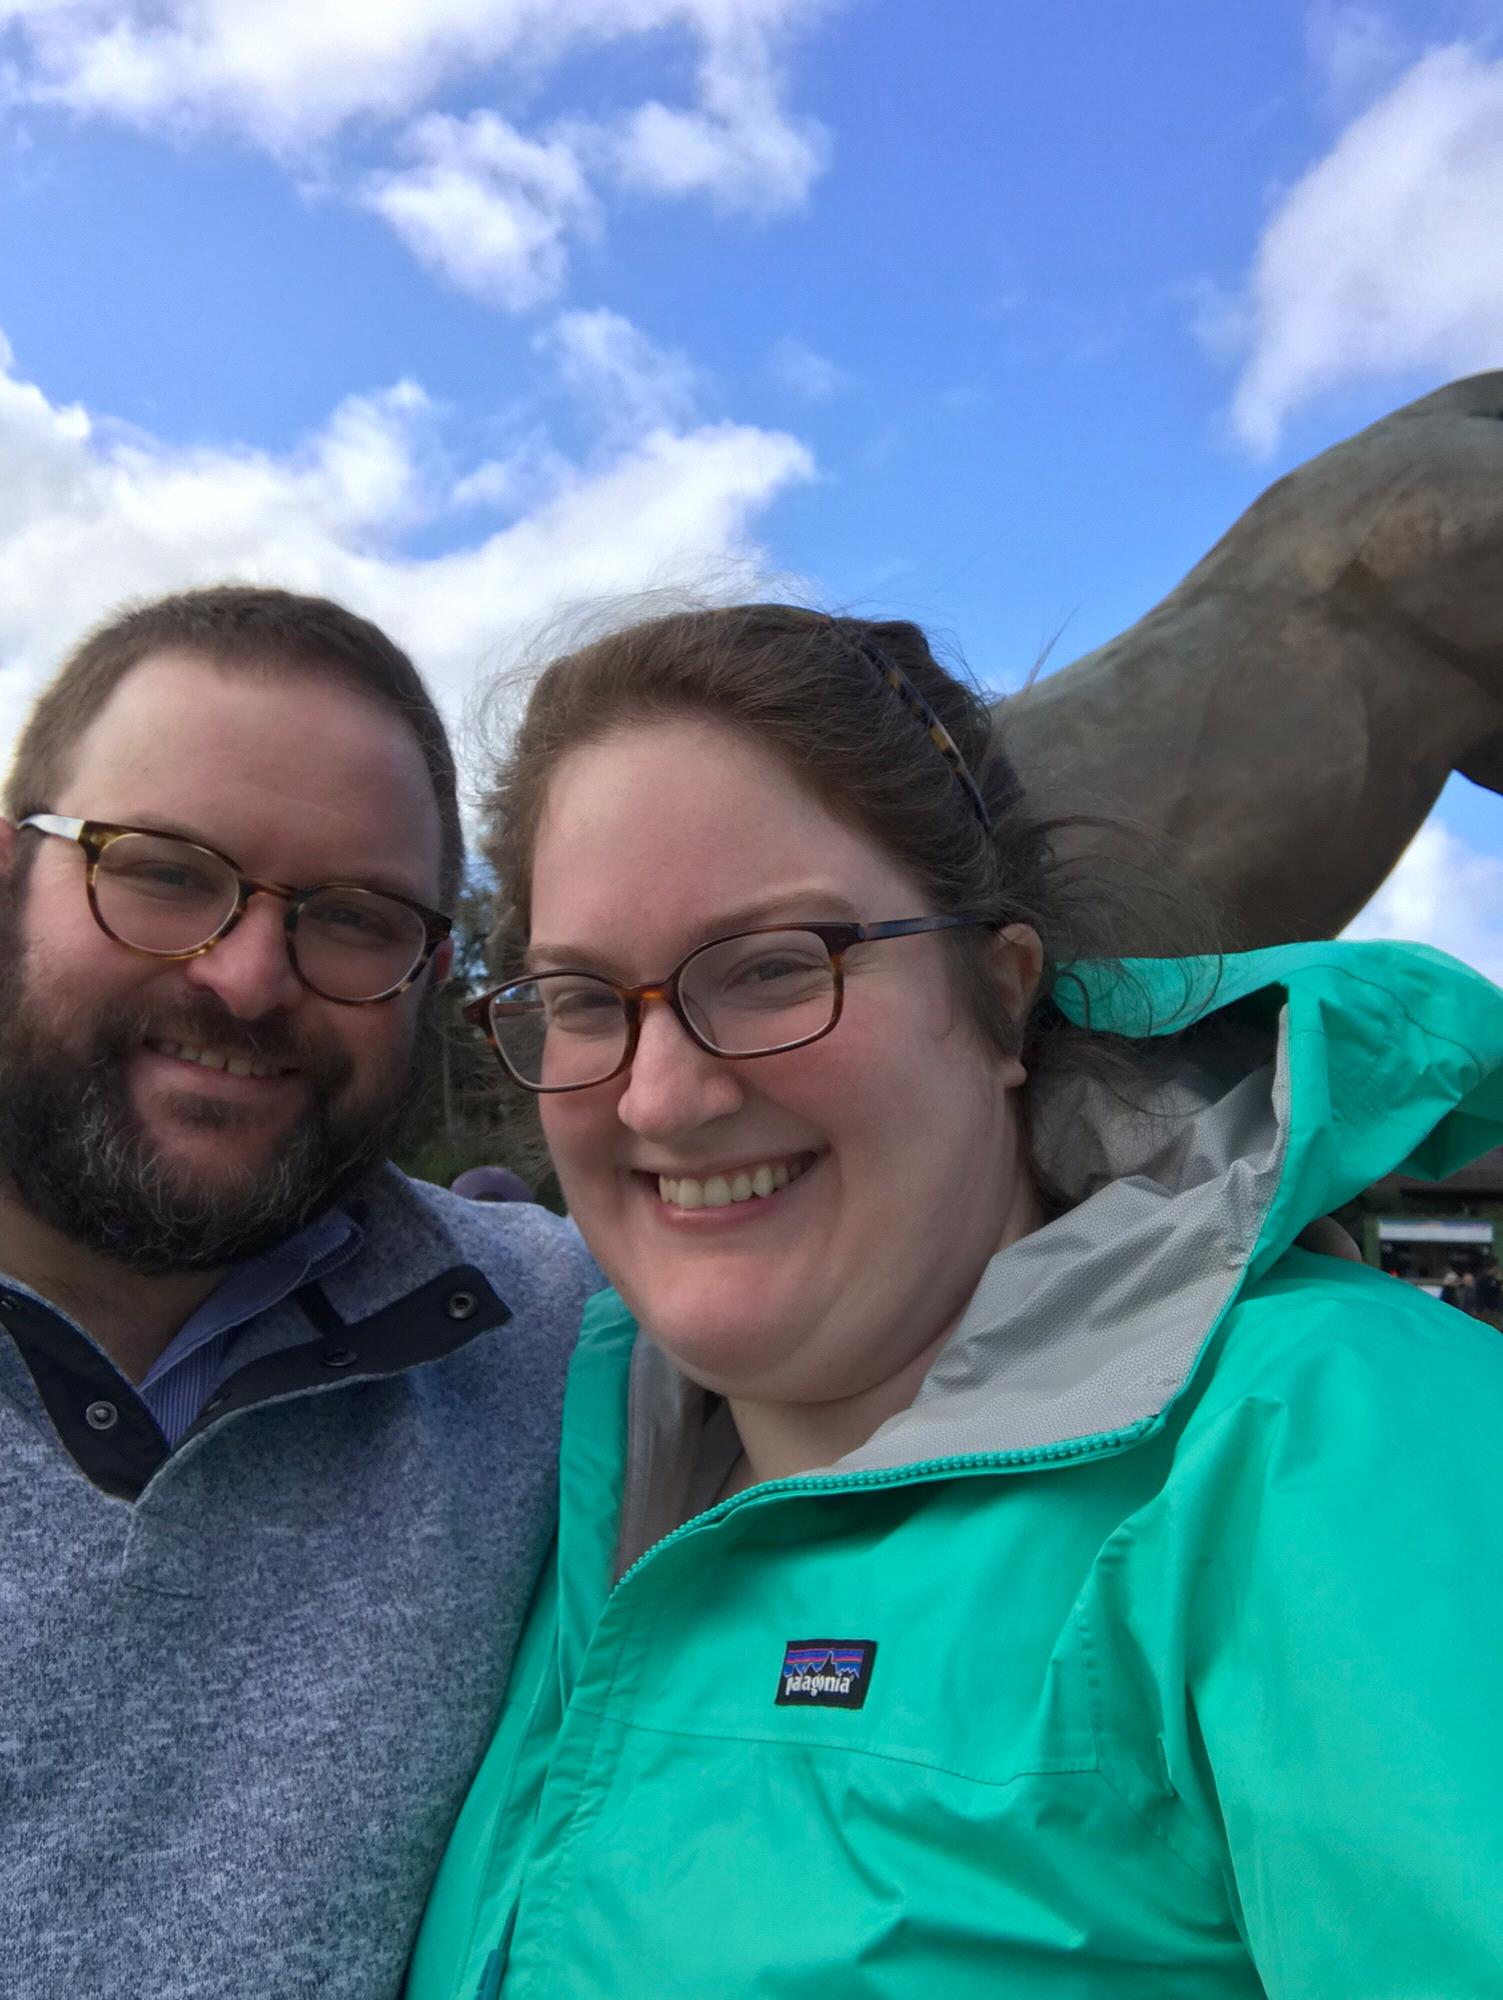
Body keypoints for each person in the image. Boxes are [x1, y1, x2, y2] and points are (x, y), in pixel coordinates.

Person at [409, 603, 1503, 1999]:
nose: (662, 1094)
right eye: (578, 998)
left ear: (998, 1000)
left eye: (772, 969)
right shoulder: (570, 1461)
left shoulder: (1326, 1451)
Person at [0, 586, 598, 2000]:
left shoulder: (555, 1335)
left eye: (349, 916)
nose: (247, 976)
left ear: (429, 975)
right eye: (158, 871)